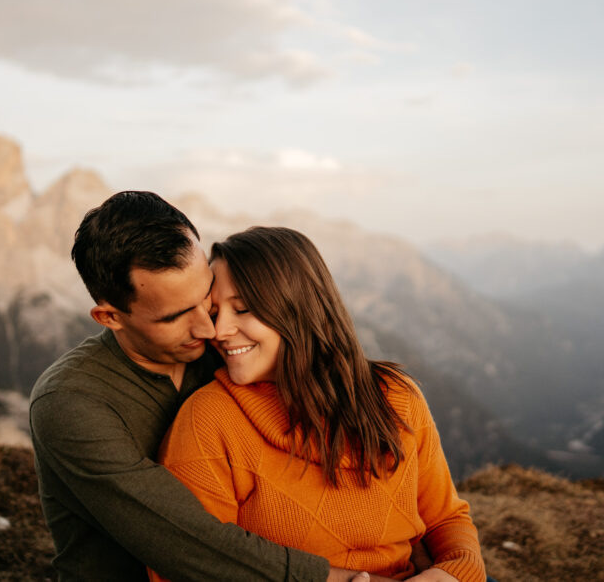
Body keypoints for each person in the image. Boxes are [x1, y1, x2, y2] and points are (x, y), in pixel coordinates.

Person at [30, 191, 397, 581]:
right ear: (110, 317)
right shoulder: (71, 403)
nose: (209, 328)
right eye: (175, 316)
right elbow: (186, 544)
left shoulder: (229, 353)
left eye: (206, 297)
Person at [153, 226, 487, 582]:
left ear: (298, 308)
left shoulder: (396, 397)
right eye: (216, 312)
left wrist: (454, 574)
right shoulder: (208, 421)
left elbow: (446, 518)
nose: (219, 332)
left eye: (244, 309)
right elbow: (191, 566)